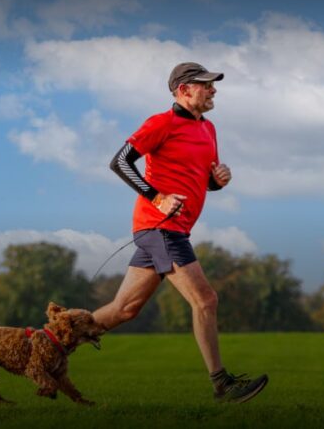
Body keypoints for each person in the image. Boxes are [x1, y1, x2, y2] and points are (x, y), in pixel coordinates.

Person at [93, 62, 268, 404]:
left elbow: (203, 182)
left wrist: (217, 180)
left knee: (124, 309)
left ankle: (48, 343)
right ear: (183, 90)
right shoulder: (162, 123)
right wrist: (156, 198)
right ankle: (222, 384)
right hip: (160, 228)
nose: (214, 89)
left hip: (174, 231)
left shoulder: (210, 129)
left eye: (213, 85)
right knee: (206, 300)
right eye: (206, 85)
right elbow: (120, 162)